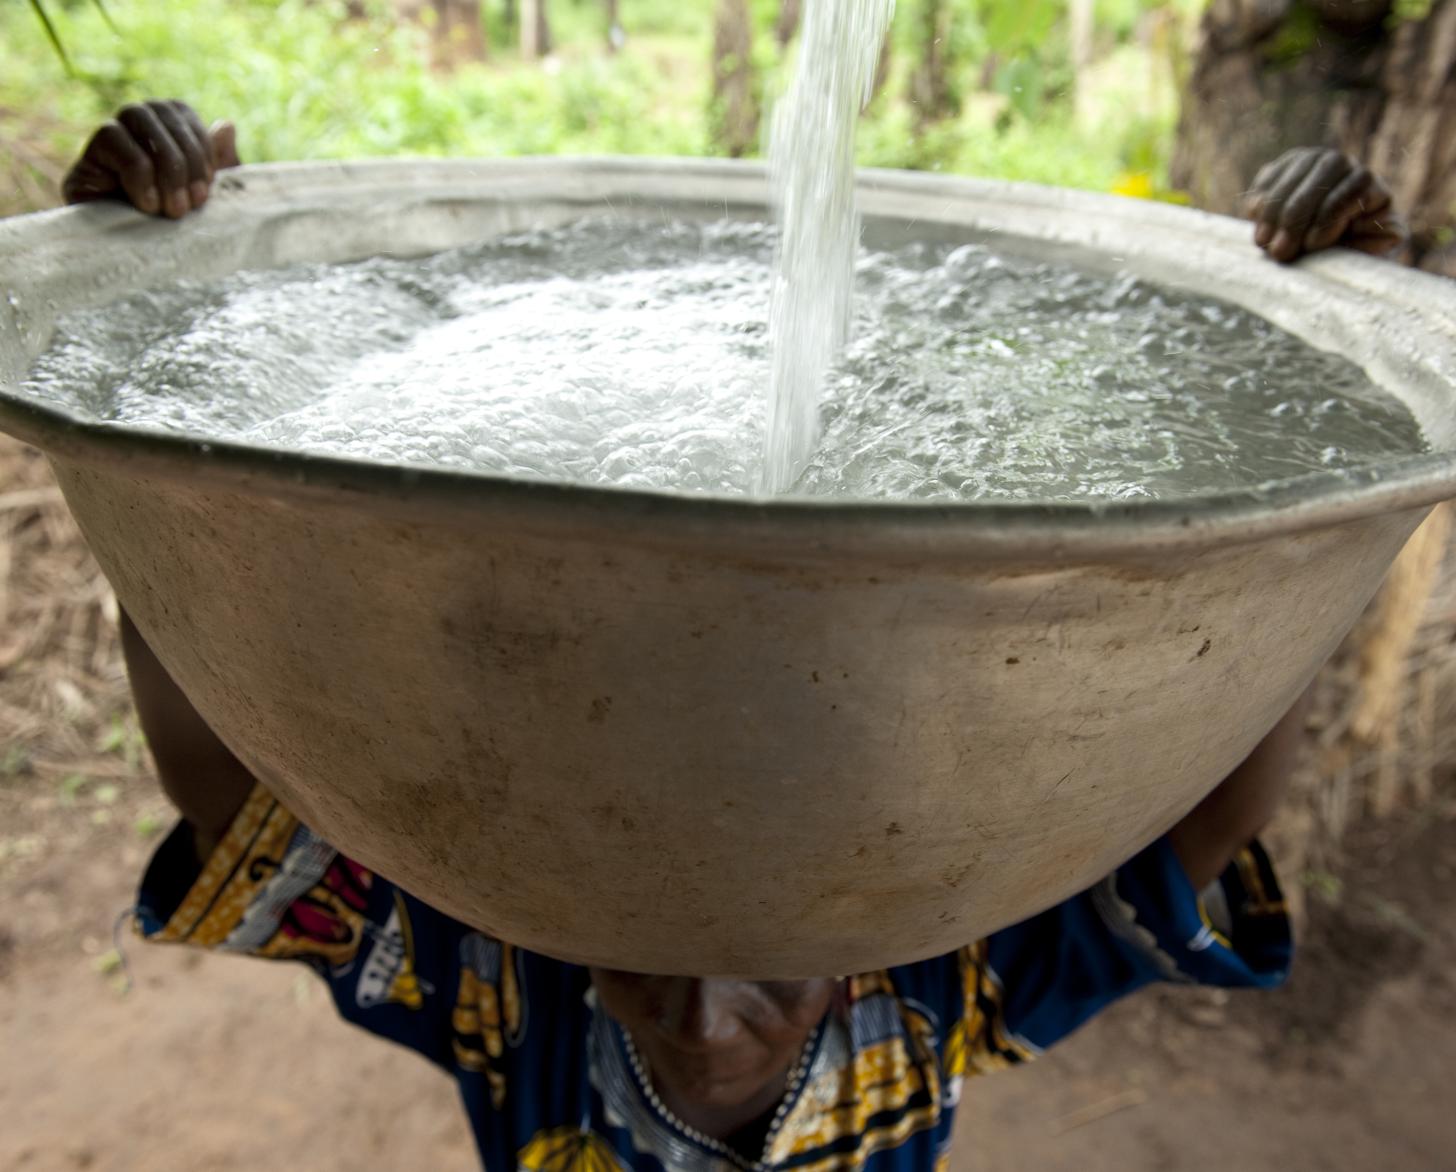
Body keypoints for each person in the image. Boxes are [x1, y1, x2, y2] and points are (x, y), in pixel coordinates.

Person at [64, 102, 1400, 1172]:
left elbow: (1196, 820)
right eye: (638, 922)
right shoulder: (517, 946)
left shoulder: (909, 970)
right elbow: (228, 779)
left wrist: (1336, 410)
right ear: (564, 854)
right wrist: (161, 472)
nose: (704, 1014)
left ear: (874, 864)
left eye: (769, 946)